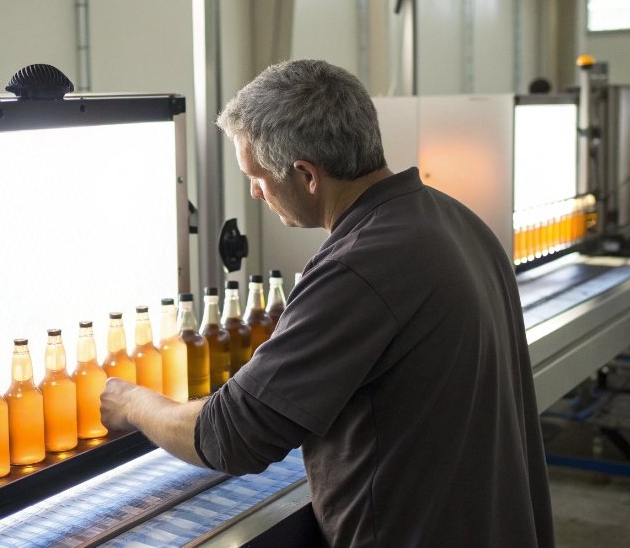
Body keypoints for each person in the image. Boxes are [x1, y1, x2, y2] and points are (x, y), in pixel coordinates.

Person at [100, 59, 554, 547]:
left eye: (256, 176)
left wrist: (133, 403)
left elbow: (231, 434)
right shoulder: (455, 219)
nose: (254, 192)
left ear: (307, 176)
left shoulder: (361, 264)